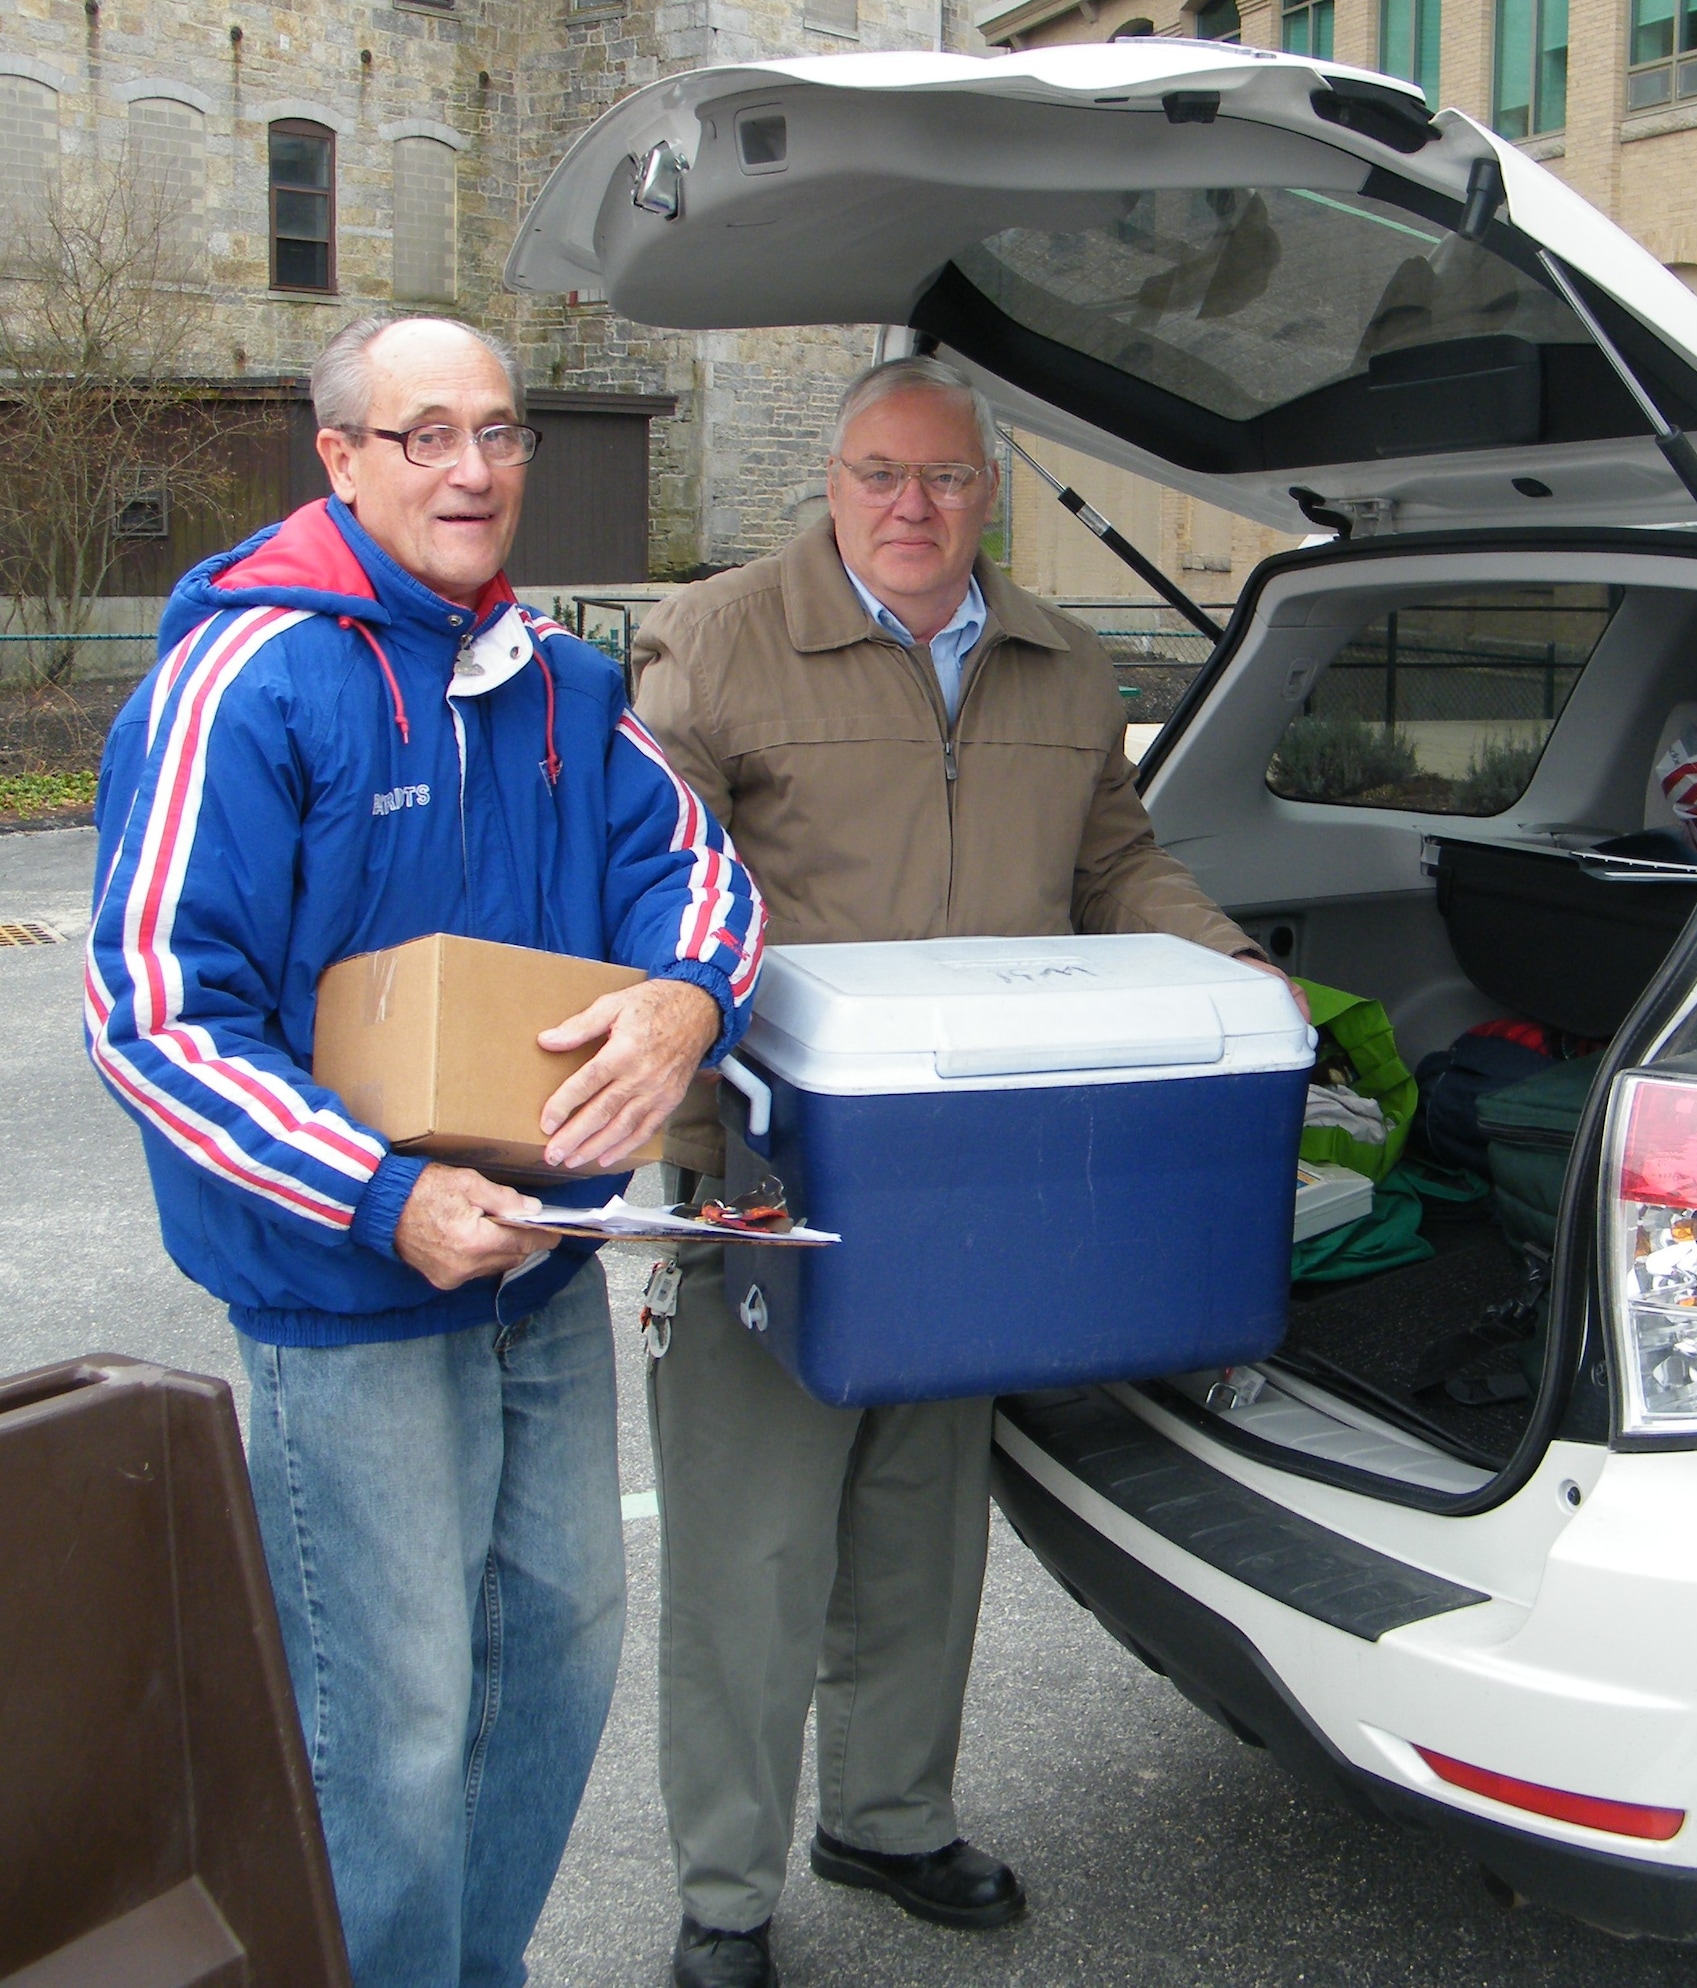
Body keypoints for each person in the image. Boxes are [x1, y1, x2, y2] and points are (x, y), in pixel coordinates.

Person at [84, 314, 766, 1988]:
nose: (474, 470)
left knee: (556, 1662)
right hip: (348, 1297)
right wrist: (381, 1196)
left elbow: (698, 877)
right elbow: (156, 1012)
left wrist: (684, 1004)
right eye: (424, 435)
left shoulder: (556, 678)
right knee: (384, 1731)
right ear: (339, 459)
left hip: (540, 1269)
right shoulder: (247, 679)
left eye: (504, 433)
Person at [633, 355, 1299, 1988]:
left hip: (977, 1175)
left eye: (944, 479)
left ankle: (890, 1815)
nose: (911, 508)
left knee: (927, 1522)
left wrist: (1232, 972)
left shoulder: (1060, 663)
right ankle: (725, 1894)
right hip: (770, 1171)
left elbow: (1117, 861)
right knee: (754, 1552)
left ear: (989, 490)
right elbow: (655, 885)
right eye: (879, 475)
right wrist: (698, 1129)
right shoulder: (716, 641)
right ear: (835, 483)